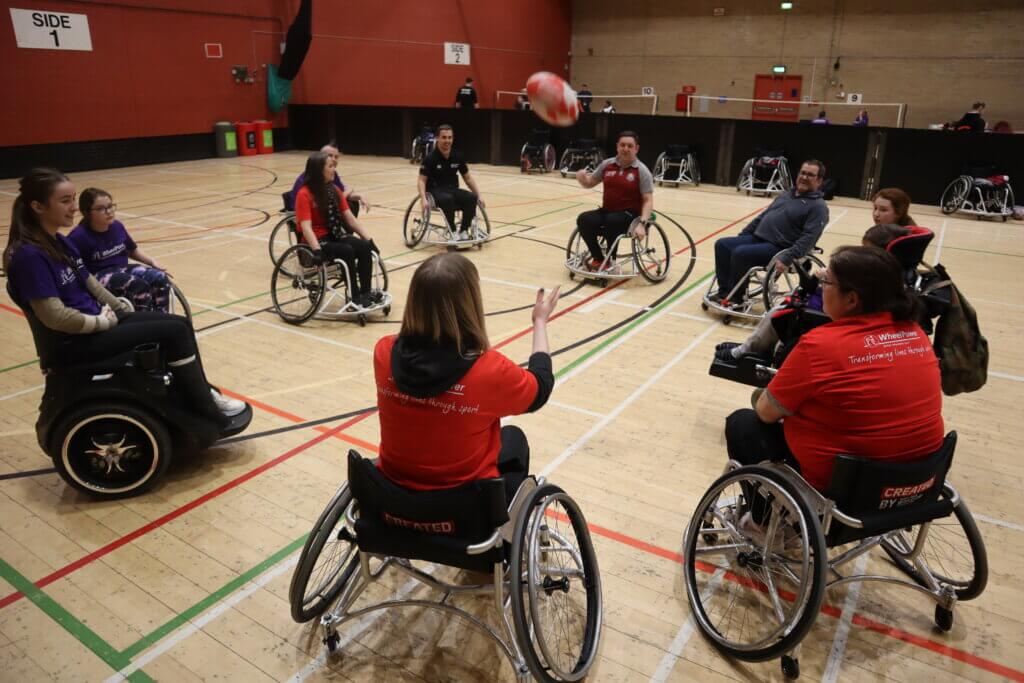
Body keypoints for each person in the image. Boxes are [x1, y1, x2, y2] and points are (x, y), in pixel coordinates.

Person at [3, 168, 244, 424]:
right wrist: (103, 323)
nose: (74, 207)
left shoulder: (60, 243)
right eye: (65, 201)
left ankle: (202, 393)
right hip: (73, 343)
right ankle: (206, 408)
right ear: (38, 206)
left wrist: (121, 310)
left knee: (179, 324)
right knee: (173, 332)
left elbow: (91, 284)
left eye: (73, 199)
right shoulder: (29, 256)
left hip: (96, 324)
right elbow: (55, 317)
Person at [725, 245, 944, 505]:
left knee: (743, 424)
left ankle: (762, 523)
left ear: (852, 299)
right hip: (920, 479)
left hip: (850, 487)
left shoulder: (820, 345)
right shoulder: (915, 333)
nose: (821, 286)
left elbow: (765, 411)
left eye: (827, 281)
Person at [374, 253, 558, 497]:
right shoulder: (489, 370)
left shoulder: (383, 352)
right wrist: (540, 322)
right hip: (461, 510)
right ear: (470, 304)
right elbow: (540, 387)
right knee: (514, 440)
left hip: (393, 496)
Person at [715, 223, 911, 362]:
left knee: (782, 312)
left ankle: (750, 350)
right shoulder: (888, 274)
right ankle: (753, 347)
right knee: (788, 302)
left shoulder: (876, 282)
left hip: (833, 316)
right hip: (839, 306)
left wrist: (828, 279)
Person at [712, 160, 830, 304]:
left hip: (779, 248)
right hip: (758, 239)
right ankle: (725, 293)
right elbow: (762, 217)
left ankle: (736, 299)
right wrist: (743, 235)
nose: (804, 177)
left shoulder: (818, 207)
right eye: (803, 173)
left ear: (819, 181)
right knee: (723, 245)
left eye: (810, 175)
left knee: (741, 253)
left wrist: (788, 257)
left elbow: (809, 238)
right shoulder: (787, 194)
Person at [295, 152, 381, 307]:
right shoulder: (304, 194)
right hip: (316, 241)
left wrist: (369, 240)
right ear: (318, 170)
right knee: (346, 250)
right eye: (330, 166)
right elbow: (306, 227)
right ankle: (354, 296)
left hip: (334, 235)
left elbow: (350, 219)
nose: (333, 169)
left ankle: (366, 292)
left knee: (364, 247)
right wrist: (317, 250)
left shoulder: (334, 190)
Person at [68, 188, 172, 312]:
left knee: (160, 278)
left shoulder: (117, 226)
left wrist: (152, 262)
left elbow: (132, 250)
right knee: (137, 285)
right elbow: (70, 268)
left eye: (110, 206)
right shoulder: (78, 237)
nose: (109, 212)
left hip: (121, 269)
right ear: (86, 212)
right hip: (97, 276)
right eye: (101, 209)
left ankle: (161, 318)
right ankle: (144, 323)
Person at [573, 131, 654, 271]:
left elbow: (648, 200)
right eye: (622, 145)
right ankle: (598, 258)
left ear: (636, 148)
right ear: (617, 146)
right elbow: (590, 183)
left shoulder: (641, 170)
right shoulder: (607, 165)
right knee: (584, 219)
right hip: (607, 211)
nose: (625, 149)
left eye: (630, 146)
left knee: (612, 220)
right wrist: (582, 179)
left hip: (630, 215)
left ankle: (611, 261)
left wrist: (642, 223)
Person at [418, 124, 486, 241]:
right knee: (447, 199)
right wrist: (423, 198)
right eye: (444, 137)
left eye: (450, 137)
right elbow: (421, 180)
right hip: (435, 191)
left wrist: (479, 195)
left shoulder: (457, 156)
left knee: (471, 197)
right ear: (437, 138)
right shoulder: (430, 158)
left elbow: (468, 178)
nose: (447, 141)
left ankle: (464, 231)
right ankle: (453, 231)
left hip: (452, 189)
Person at [289, 143, 367, 217]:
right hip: (305, 213)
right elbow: (339, 198)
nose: (333, 159)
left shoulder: (331, 174)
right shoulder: (311, 178)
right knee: (347, 206)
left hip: (321, 208)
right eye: (330, 155)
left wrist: (360, 196)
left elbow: (340, 193)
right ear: (320, 157)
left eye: (336, 157)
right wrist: (349, 191)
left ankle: (347, 230)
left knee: (353, 202)